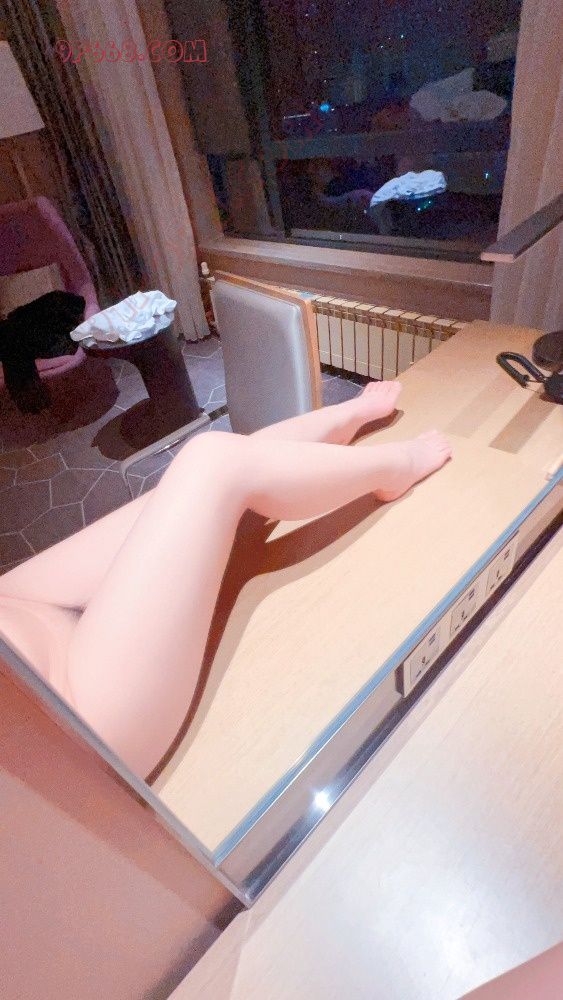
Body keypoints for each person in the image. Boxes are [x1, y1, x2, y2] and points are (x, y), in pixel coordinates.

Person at [0, 382, 451, 778]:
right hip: (70, 716)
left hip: (17, 610)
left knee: (186, 489)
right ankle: (395, 465)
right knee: (213, 463)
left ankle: (342, 420)